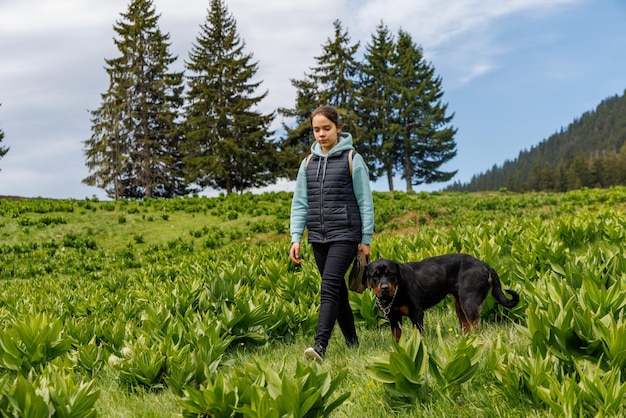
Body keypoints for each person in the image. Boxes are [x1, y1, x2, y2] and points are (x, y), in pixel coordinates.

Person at [289, 105, 374, 361]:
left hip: (346, 235)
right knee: (337, 292)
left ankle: (320, 346)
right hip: (318, 236)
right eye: (316, 129)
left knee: (328, 287)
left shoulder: (352, 159)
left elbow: (365, 200)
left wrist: (366, 239)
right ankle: (353, 343)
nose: (321, 134)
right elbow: (300, 203)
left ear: (338, 127)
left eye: (327, 128)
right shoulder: (307, 163)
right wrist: (296, 237)